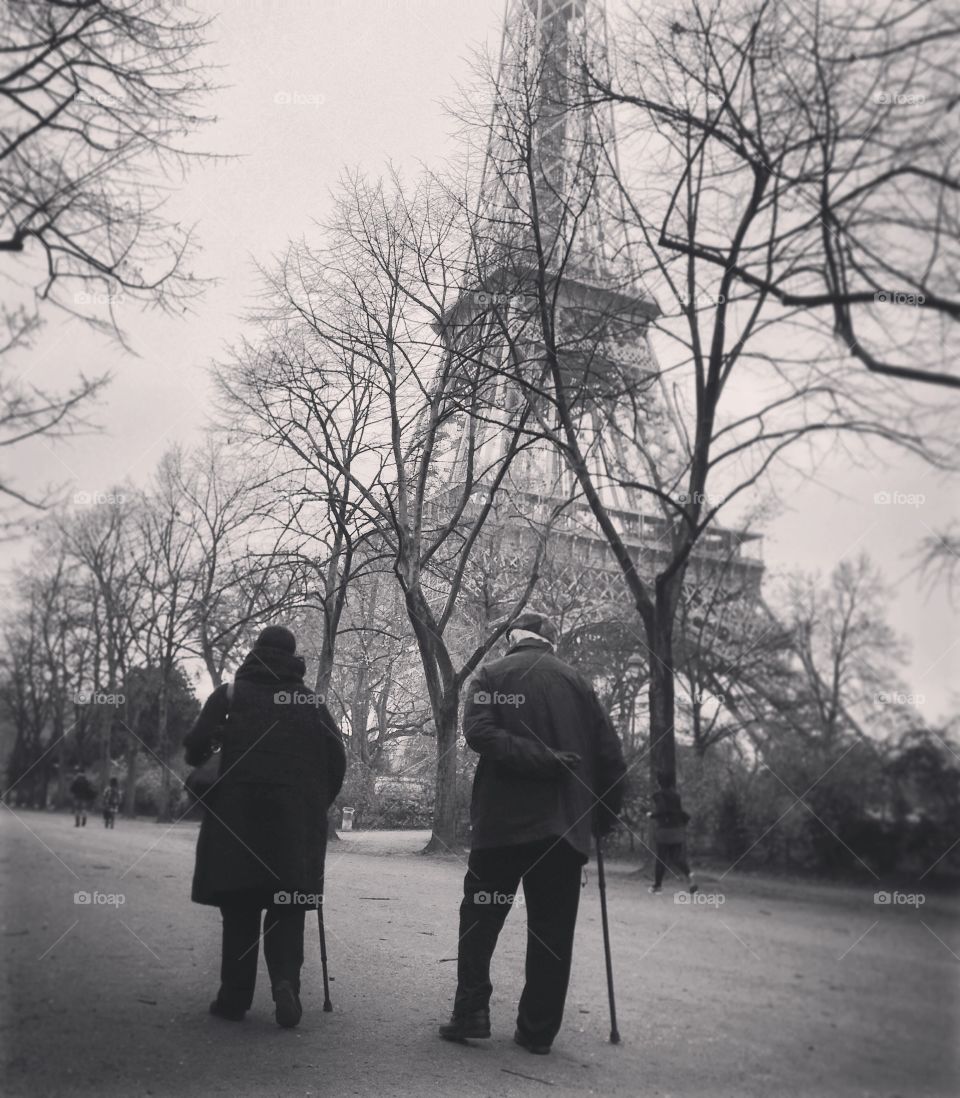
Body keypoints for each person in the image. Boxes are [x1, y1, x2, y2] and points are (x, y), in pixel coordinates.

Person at [439, 610, 627, 1055]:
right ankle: (537, 1031)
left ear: (512, 639)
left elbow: (478, 733)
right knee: (552, 932)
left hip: (500, 829)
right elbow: (612, 761)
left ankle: (471, 1013)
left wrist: (532, 756)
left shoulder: (490, 674)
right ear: (550, 642)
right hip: (562, 832)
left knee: (481, 920)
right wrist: (601, 821)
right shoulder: (580, 685)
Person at [183, 625, 346, 1029]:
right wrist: (312, 805)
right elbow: (336, 761)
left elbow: (193, 749)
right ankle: (285, 984)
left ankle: (233, 999)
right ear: (293, 659)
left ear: (255, 653)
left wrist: (219, 741)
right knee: (287, 907)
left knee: (239, 909)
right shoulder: (310, 703)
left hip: (236, 824)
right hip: (292, 828)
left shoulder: (231, 696)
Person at [647, 772, 697, 895]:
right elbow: (677, 811)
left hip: (665, 830)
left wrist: (651, 815)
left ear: (659, 782)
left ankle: (657, 886)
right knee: (676, 858)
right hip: (677, 829)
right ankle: (689, 874)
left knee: (661, 859)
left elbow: (663, 810)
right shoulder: (676, 796)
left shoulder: (658, 795)